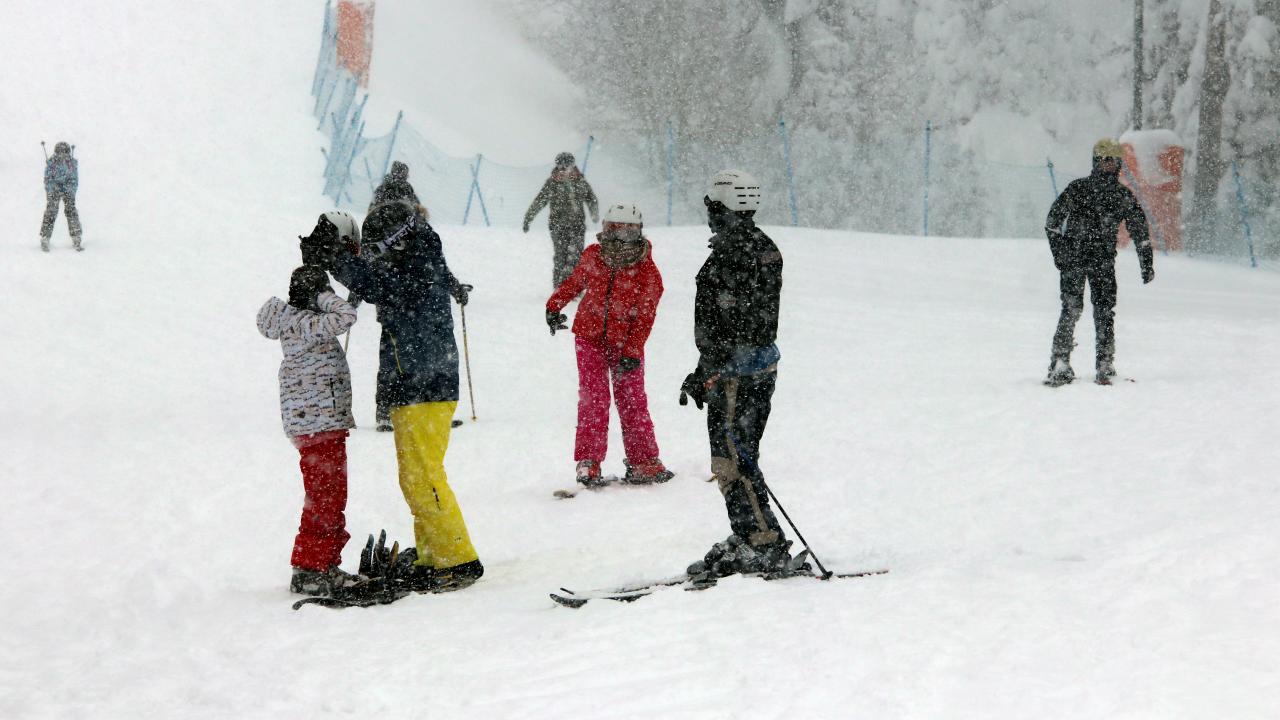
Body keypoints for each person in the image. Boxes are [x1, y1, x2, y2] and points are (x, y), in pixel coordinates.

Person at [302, 199, 482, 592]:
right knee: (414, 478)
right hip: (409, 383)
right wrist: (338, 258)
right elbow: (374, 280)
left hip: (426, 385)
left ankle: (457, 559)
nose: (375, 255)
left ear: (396, 240)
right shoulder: (413, 260)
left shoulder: (419, 265)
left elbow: (378, 285)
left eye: (378, 247)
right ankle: (434, 554)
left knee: (424, 477)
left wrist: (338, 261)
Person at [679, 169, 804, 579]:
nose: (709, 215)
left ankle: (762, 543)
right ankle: (750, 533)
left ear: (723, 207)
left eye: (712, 207)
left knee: (732, 460)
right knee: (738, 456)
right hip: (753, 367)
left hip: (737, 373)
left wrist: (710, 368)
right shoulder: (760, 245)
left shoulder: (735, 252)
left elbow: (732, 321)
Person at [545, 203, 673, 488]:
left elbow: (645, 316)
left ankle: (644, 461)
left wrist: (632, 350)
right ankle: (589, 461)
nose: (618, 241)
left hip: (626, 344)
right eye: (613, 232)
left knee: (632, 401)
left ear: (638, 234)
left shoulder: (647, 271)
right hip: (589, 338)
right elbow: (574, 282)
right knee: (594, 399)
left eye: (627, 234)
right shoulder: (594, 255)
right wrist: (553, 306)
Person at [257, 256, 361, 597]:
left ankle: (321, 563)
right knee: (326, 497)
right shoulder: (305, 323)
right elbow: (346, 316)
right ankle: (312, 567)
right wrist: (325, 296)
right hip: (319, 424)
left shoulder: (298, 322)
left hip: (318, 423)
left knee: (328, 495)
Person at [1044, 138, 1155, 386]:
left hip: (1103, 263)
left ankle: (1105, 364)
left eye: (1113, 161)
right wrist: (1061, 254)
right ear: (1095, 162)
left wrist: (1146, 263)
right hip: (1074, 261)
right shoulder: (1078, 189)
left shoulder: (1122, 195)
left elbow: (1140, 231)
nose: (1108, 165)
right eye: (1104, 160)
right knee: (1071, 309)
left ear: (1119, 164)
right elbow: (1052, 223)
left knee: (1105, 312)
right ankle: (1060, 363)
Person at [523, 152, 599, 288]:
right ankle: (559, 286)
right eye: (561, 166)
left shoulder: (580, 182)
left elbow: (591, 198)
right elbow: (539, 201)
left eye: (568, 166)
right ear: (557, 167)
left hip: (577, 226)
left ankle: (574, 287)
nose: (564, 169)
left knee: (576, 256)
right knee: (561, 256)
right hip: (558, 226)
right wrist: (528, 218)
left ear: (573, 166)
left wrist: (594, 214)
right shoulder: (552, 183)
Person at [40, 141, 82, 252]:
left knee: (71, 210)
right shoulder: (52, 163)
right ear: (56, 153)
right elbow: (48, 179)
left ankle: (76, 236)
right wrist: (52, 189)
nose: (62, 156)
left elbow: (74, 179)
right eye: (60, 153)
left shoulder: (71, 164)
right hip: (55, 189)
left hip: (68, 189)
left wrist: (69, 190)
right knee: (51, 211)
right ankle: (45, 237)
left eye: (65, 153)